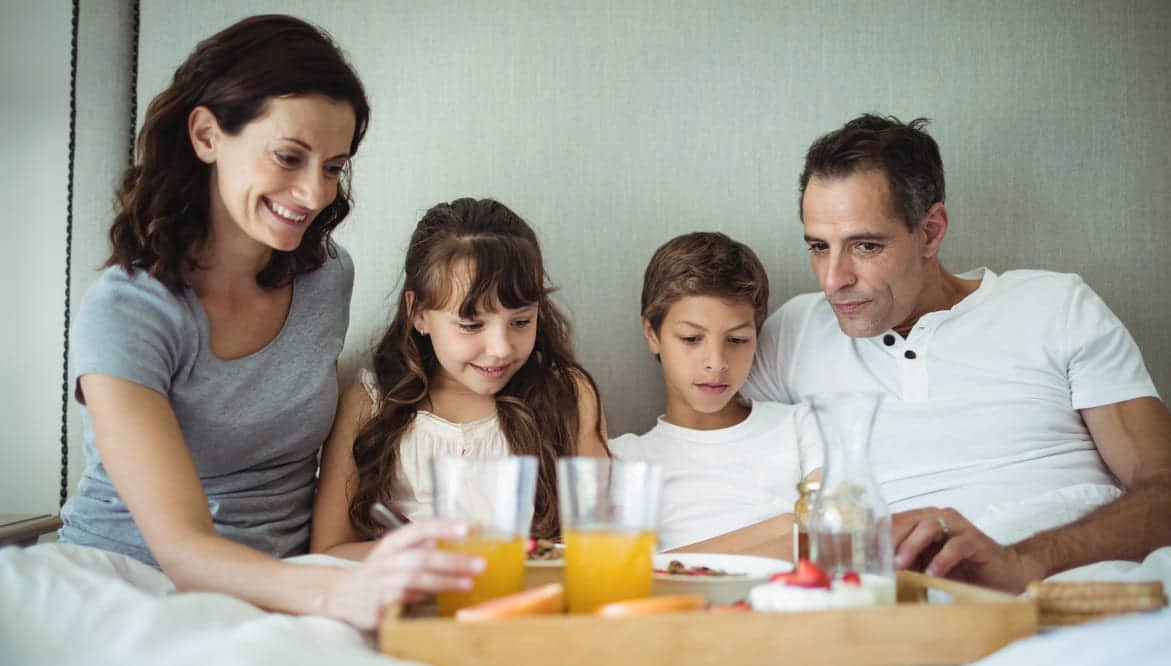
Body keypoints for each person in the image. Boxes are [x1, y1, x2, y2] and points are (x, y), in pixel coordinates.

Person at [57, 15, 481, 631]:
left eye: (333, 167)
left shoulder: (327, 278)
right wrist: (336, 594)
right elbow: (182, 550)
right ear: (206, 135)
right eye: (289, 157)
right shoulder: (127, 312)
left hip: (285, 589)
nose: (313, 194)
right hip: (132, 585)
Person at [743, 113, 1171, 593]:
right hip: (908, 610)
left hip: (1081, 585)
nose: (833, 279)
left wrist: (1023, 562)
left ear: (931, 231)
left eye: (865, 245)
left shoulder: (1054, 306)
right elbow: (700, 442)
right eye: (818, 246)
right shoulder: (793, 334)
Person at [311, 197, 609, 559]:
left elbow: (600, 543)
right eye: (471, 325)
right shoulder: (370, 404)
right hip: (411, 600)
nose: (500, 348)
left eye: (520, 321)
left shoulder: (568, 396)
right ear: (419, 312)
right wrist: (424, 553)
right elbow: (329, 551)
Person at [607, 232, 822, 554]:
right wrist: (782, 526)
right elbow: (627, 575)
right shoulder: (626, 459)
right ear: (652, 334)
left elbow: (831, 539)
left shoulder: (800, 426)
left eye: (736, 340)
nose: (716, 363)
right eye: (692, 338)